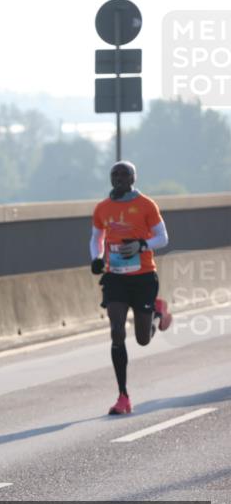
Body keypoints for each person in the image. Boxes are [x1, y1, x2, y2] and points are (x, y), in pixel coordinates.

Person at [90, 160, 173, 415]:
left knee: (142, 339)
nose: (118, 179)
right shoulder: (103, 207)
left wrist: (141, 245)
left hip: (143, 277)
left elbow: (163, 237)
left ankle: (157, 312)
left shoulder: (146, 205)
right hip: (115, 277)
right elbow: (97, 237)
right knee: (116, 331)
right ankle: (123, 396)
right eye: (114, 175)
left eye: (124, 175)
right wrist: (96, 257)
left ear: (133, 179)